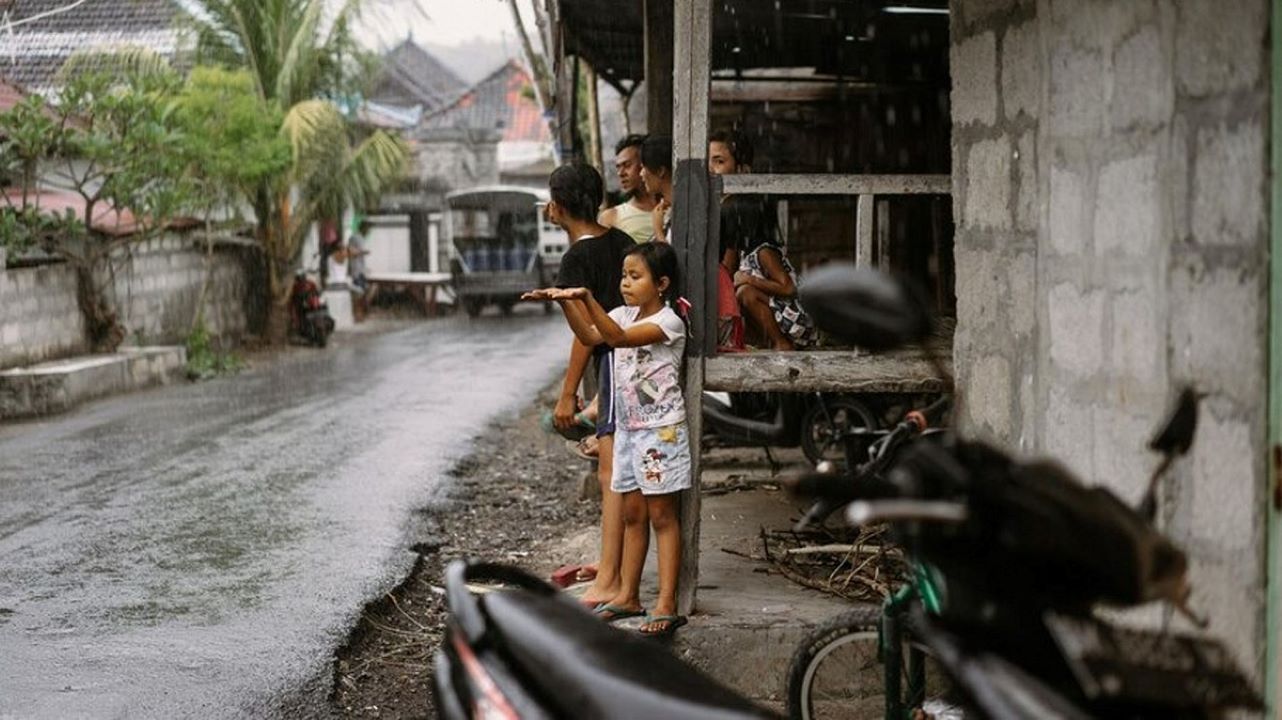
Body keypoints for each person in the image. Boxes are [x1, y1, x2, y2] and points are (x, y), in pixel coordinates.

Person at [525, 241, 690, 637]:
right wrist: (565, 302)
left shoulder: (669, 322)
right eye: (623, 276)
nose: (626, 284)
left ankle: (666, 602)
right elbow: (589, 334)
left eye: (635, 277)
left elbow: (616, 339)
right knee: (633, 514)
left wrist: (586, 297)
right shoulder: (621, 313)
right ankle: (628, 596)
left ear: (662, 283)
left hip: (661, 430)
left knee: (662, 517)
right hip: (630, 430)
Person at [545, 163, 636, 608]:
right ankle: (612, 567)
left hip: (615, 367)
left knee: (611, 475)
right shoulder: (621, 243)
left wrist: (567, 394)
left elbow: (587, 335)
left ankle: (611, 580)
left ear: (557, 207)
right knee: (622, 473)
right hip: (638, 361)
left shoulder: (575, 260)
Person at [599, 134, 659, 243]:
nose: (620, 173)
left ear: (644, 165)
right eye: (618, 167)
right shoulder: (611, 217)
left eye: (627, 165)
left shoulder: (672, 208)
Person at [639, 135, 675, 243]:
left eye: (643, 168)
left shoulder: (684, 211)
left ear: (660, 171)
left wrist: (658, 231)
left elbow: (673, 258)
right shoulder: (667, 209)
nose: (641, 174)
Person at [347, 219, 372, 320]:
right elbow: (350, 251)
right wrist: (362, 252)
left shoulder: (362, 238)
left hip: (361, 269)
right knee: (358, 293)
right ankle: (357, 313)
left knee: (364, 291)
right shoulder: (354, 237)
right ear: (363, 228)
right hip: (356, 270)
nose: (369, 231)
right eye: (368, 229)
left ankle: (361, 312)